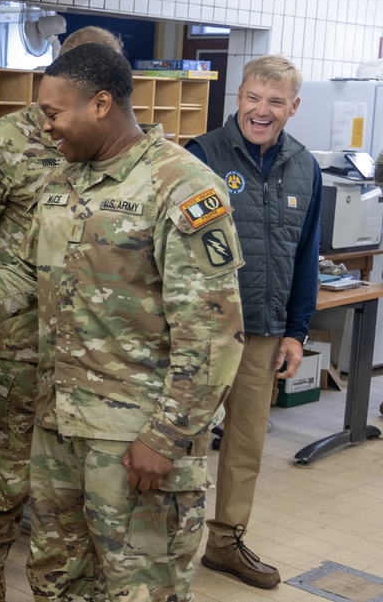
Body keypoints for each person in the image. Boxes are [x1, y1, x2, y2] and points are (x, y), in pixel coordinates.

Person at [0, 42, 245, 601]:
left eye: (53, 114)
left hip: (133, 439)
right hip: (58, 427)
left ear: (101, 104)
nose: (45, 128)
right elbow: (24, 279)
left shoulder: (181, 186)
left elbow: (213, 334)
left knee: (141, 588)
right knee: (57, 583)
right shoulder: (63, 183)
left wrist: (166, 438)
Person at [0, 26, 124, 602]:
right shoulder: (9, 141)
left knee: (91, 485)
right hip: (19, 346)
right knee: (7, 476)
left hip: (98, 354)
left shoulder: (131, 157)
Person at [185, 55, 321, 589]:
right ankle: (168, 542)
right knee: (184, 440)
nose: (261, 111)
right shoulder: (201, 157)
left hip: (264, 331)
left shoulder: (305, 166)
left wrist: (297, 329)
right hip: (202, 331)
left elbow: (306, 253)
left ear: (293, 106)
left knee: (245, 445)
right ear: (237, 97)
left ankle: (224, 544)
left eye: (275, 101)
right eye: (253, 98)